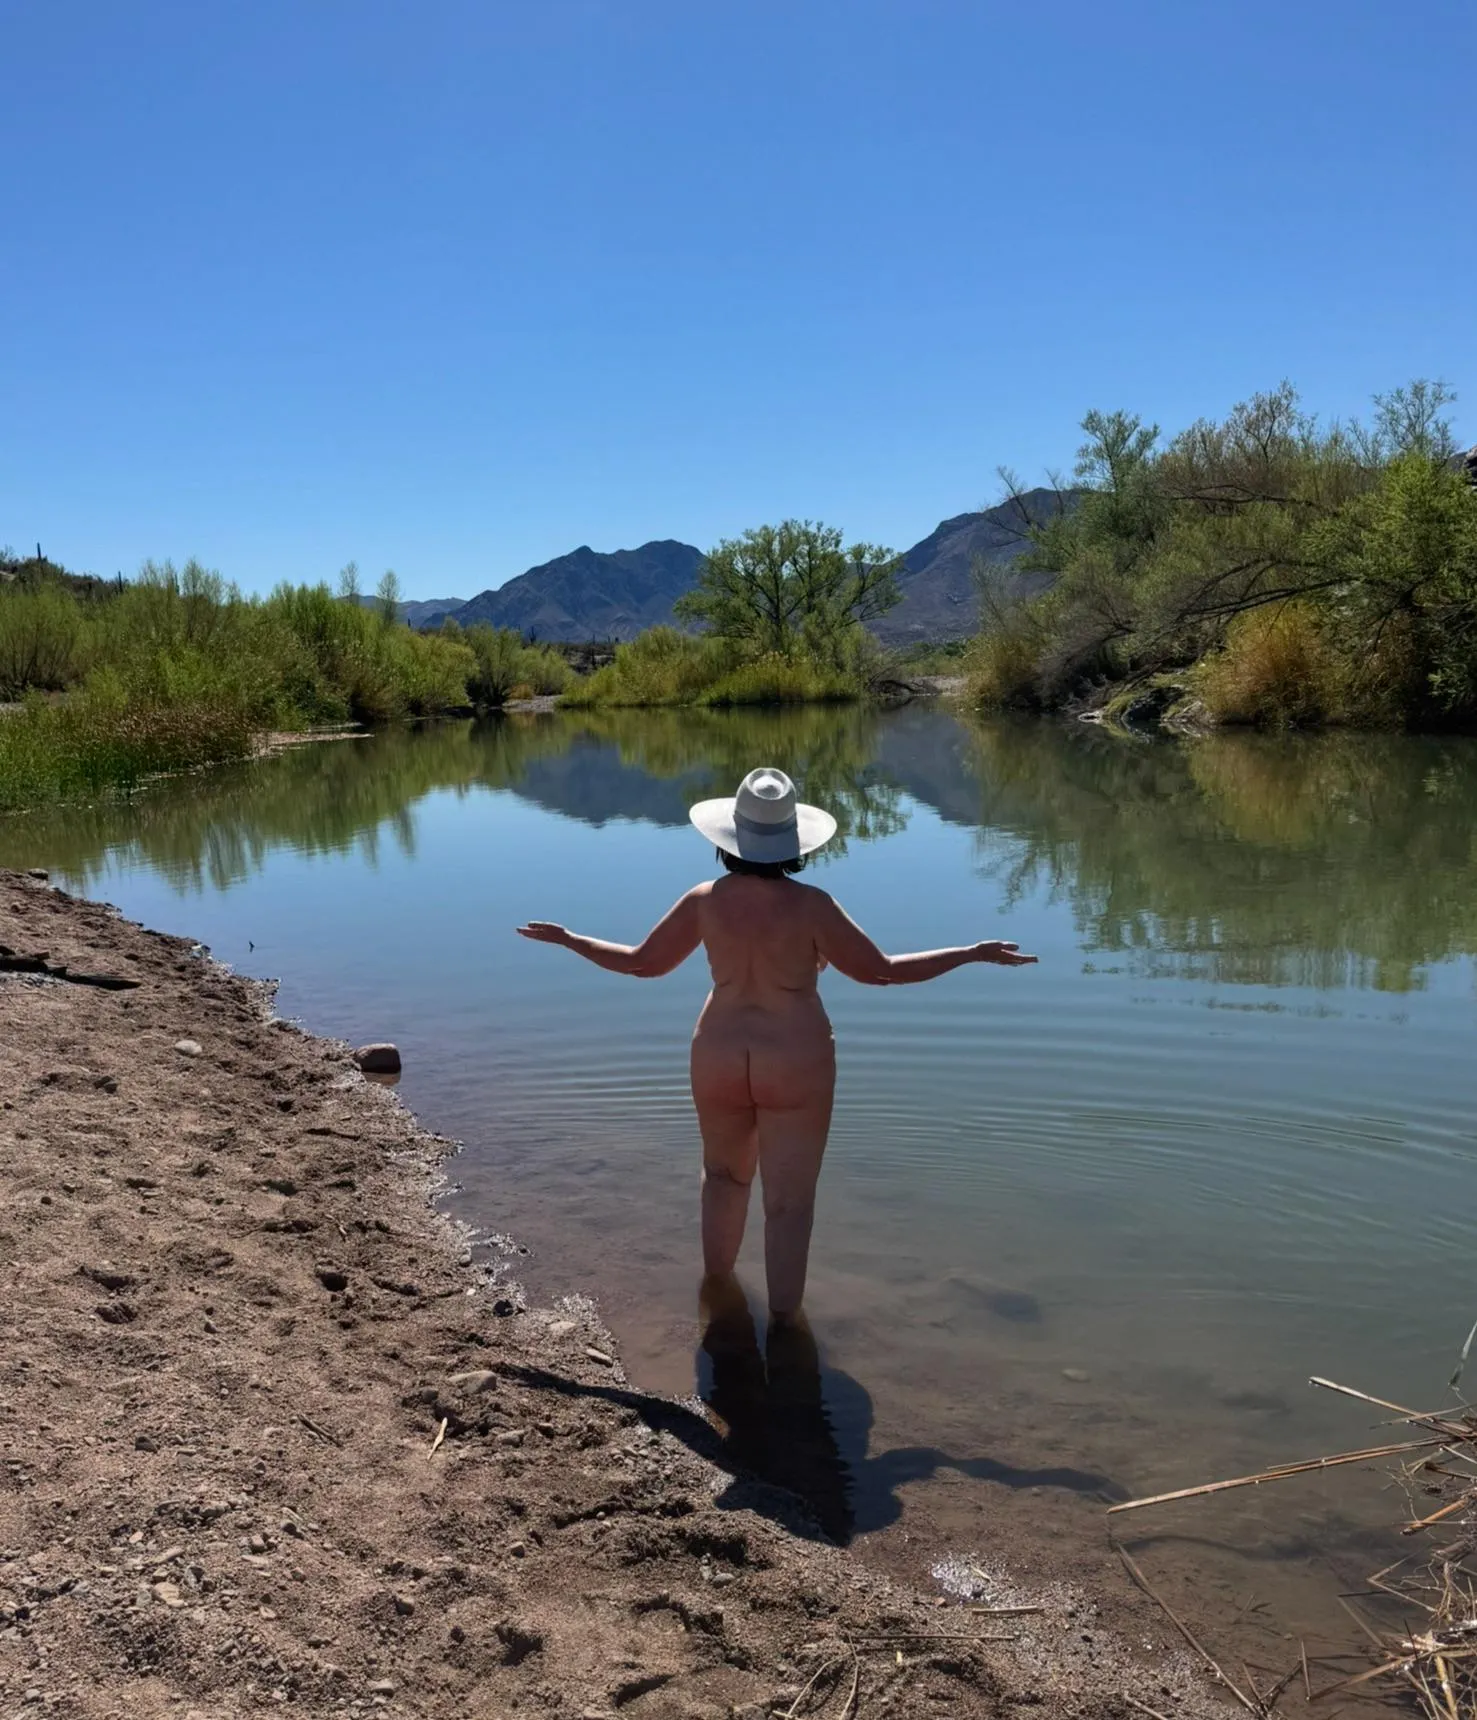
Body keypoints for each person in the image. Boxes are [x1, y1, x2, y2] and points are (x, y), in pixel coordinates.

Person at [515, 766, 1036, 1319]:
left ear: (730, 840)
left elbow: (643, 965)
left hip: (717, 1052)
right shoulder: (813, 905)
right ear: (793, 842)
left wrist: (572, 940)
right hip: (794, 1059)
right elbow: (880, 972)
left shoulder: (704, 900)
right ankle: (786, 1332)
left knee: (722, 1177)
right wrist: (969, 953)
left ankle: (717, 1301)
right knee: (788, 1206)